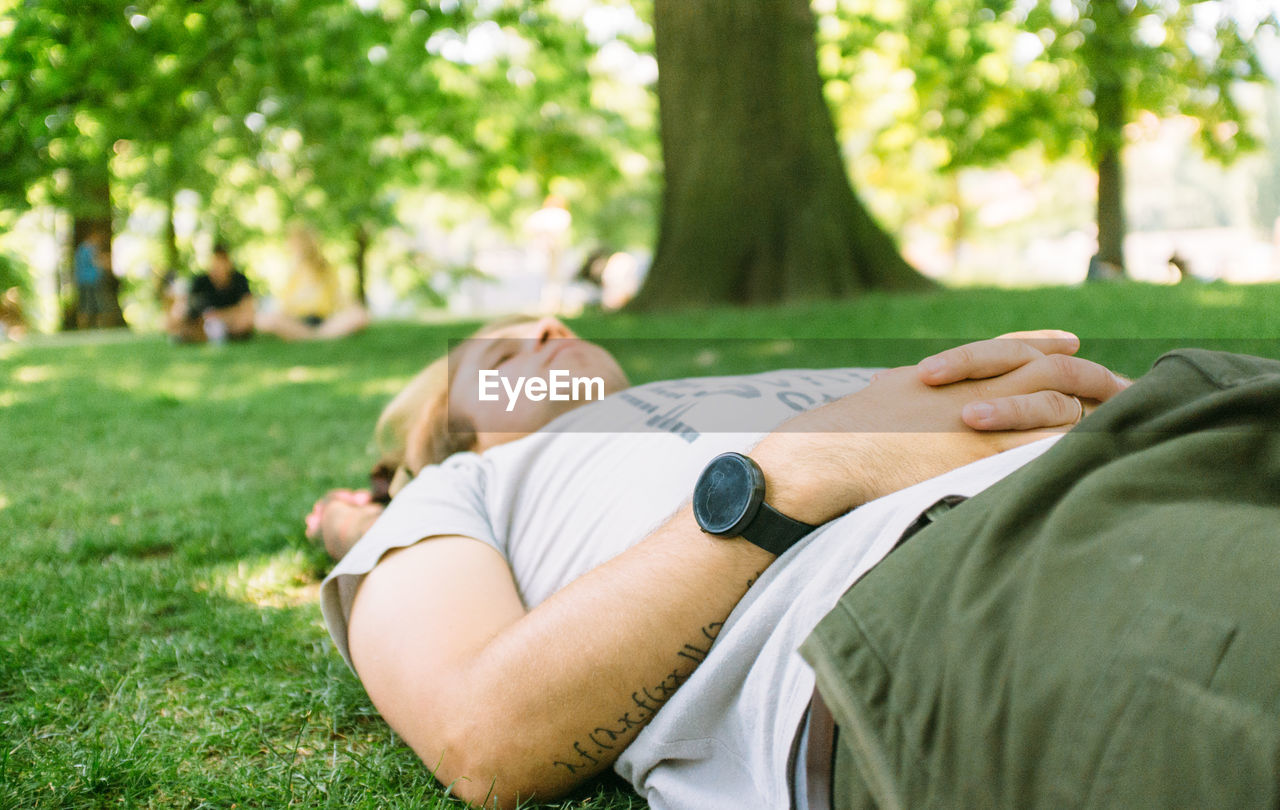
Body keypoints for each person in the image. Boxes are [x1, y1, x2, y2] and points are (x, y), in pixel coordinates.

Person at [314, 317, 1137, 808]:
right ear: (450, 436)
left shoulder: (746, 388)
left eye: (551, 326)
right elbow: (478, 739)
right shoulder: (468, 484)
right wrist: (801, 473)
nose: (548, 329)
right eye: (498, 363)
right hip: (968, 598)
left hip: (1156, 458)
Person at [256, 226, 369, 341]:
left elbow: (338, 299)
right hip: (297, 323)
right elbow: (285, 307)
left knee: (359, 315)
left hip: (324, 322)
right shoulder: (291, 273)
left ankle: (313, 337)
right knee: (265, 320)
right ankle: (315, 337)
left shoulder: (327, 270)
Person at [166, 243, 256, 343]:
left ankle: (219, 335)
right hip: (202, 324)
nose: (219, 267)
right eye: (216, 262)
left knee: (244, 322)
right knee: (177, 321)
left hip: (230, 322)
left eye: (222, 262)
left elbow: (248, 311)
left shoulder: (240, 280)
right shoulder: (200, 281)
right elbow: (184, 308)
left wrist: (219, 315)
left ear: (228, 263)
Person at [74, 230, 108, 329]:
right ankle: (89, 326)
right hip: (90, 280)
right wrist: (105, 262)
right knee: (92, 304)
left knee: (87, 304)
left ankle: (87, 327)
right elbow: (96, 262)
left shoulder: (81, 249)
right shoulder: (88, 249)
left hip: (85, 280)